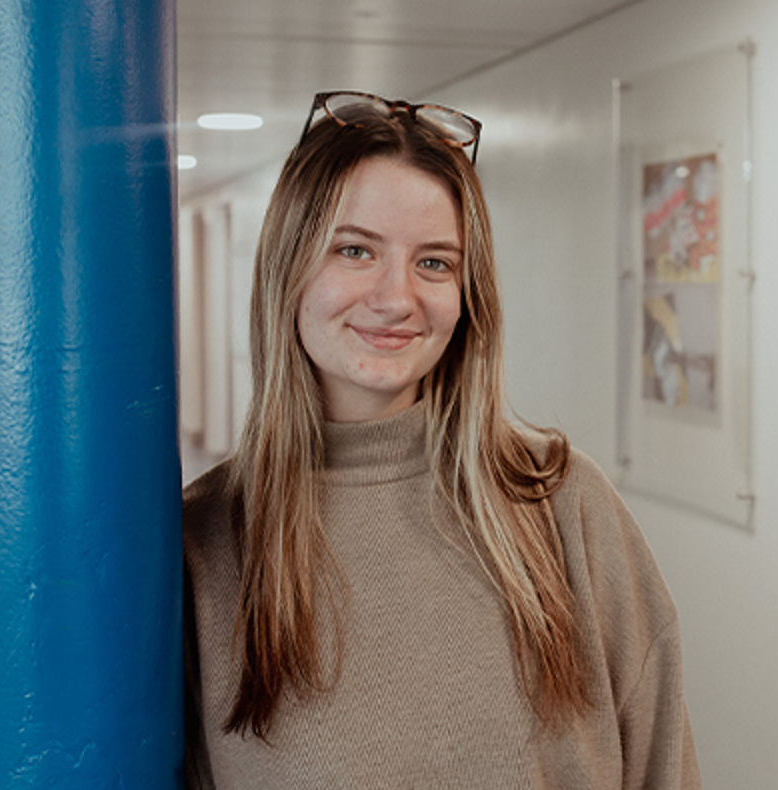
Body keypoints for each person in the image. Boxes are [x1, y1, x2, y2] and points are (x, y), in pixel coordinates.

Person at [183, 91, 702, 789]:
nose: (396, 298)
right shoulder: (206, 545)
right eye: (355, 249)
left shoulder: (564, 506)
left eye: (434, 263)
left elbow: (664, 768)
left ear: (468, 295)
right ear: (288, 269)